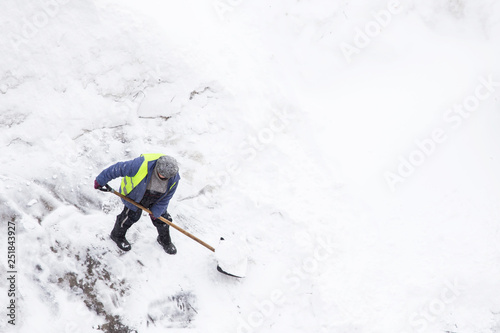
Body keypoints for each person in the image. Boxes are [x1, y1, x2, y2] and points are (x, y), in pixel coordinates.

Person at [94, 153, 180, 254]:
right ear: (157, 168)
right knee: (130, 217)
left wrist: (156, 212)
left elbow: (166, 198)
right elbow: (119, 168)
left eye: (167, 177)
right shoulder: (141, 164)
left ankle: (164, 240)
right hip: (136, 195)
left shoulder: (174, 178)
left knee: (163, 220)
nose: (165, 178)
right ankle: (117, 235)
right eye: (163, 175)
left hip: (156, 198)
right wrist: (100, 180)